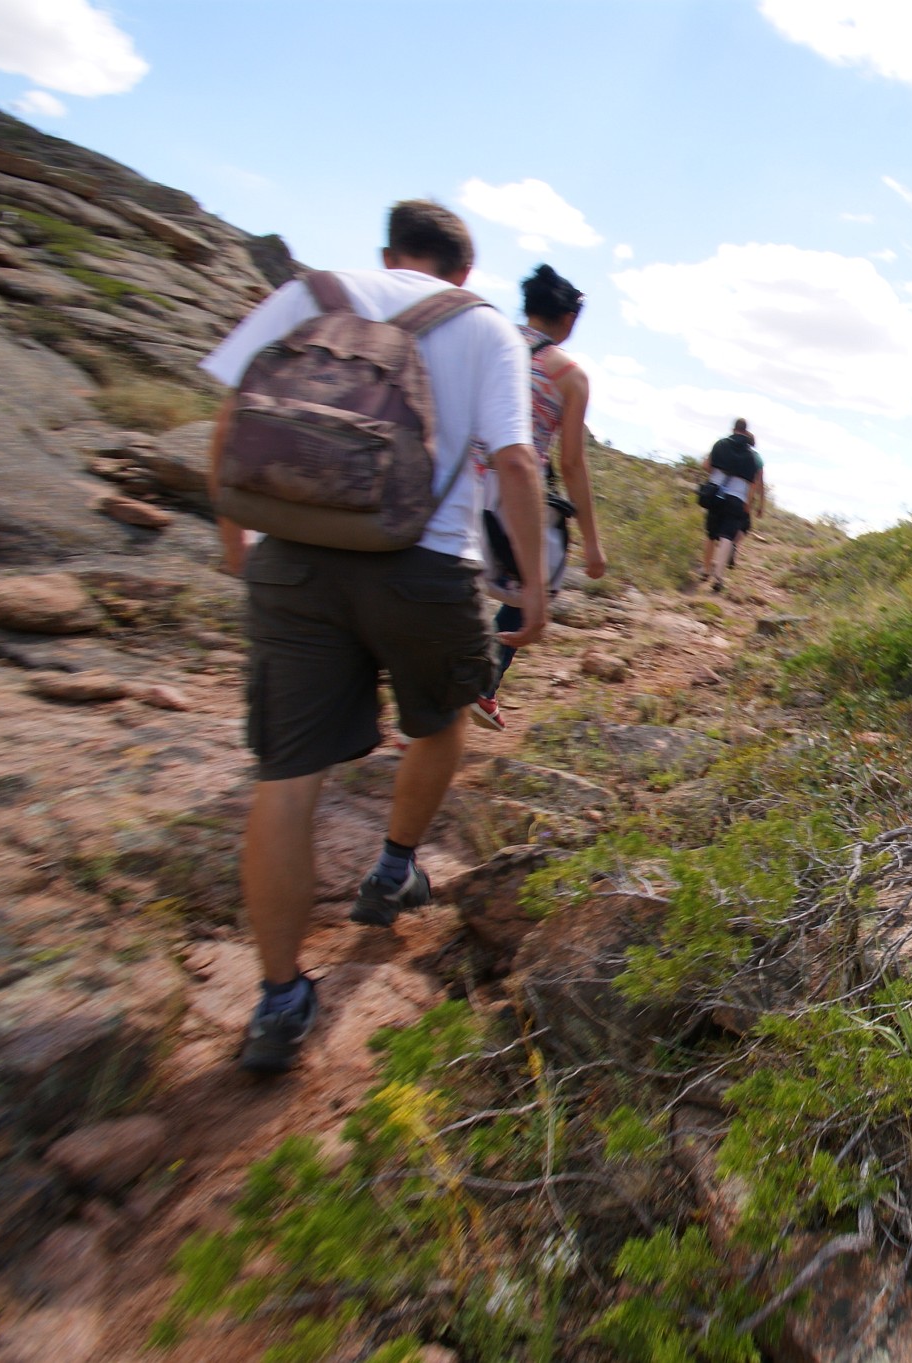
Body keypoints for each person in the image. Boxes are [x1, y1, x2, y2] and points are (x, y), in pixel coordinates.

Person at [199, 200, 546, 1074]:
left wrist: (236, 538)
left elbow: (235, 415)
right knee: (440, 720)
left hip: (293, 558)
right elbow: (514, 462)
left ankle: (278, 1000)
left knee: (286, 777)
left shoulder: (311, 293)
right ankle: (393, 869)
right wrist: (533, 588)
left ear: (389, 253)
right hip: (425, 564)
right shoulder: (484, 329)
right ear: (463, 270)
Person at [470, 264, 608, 731]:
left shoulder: (485, 340)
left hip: (450, 478)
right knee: (535, 581)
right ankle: (481, 683)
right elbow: (571, 463)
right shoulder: (568, 375)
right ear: (569, 319)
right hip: (509, 489)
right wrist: (591, 543)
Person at [699, 417, 764, 591]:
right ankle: (719, 577)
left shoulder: (720, 444)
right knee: (727, 537)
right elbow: (753, 484)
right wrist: (748, 504)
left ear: (733, 428)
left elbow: (706, 466)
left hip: (715, 493)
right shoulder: (752, 457)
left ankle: (705, 570)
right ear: (746, 432)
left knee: (711, 533)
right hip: (737, 499)